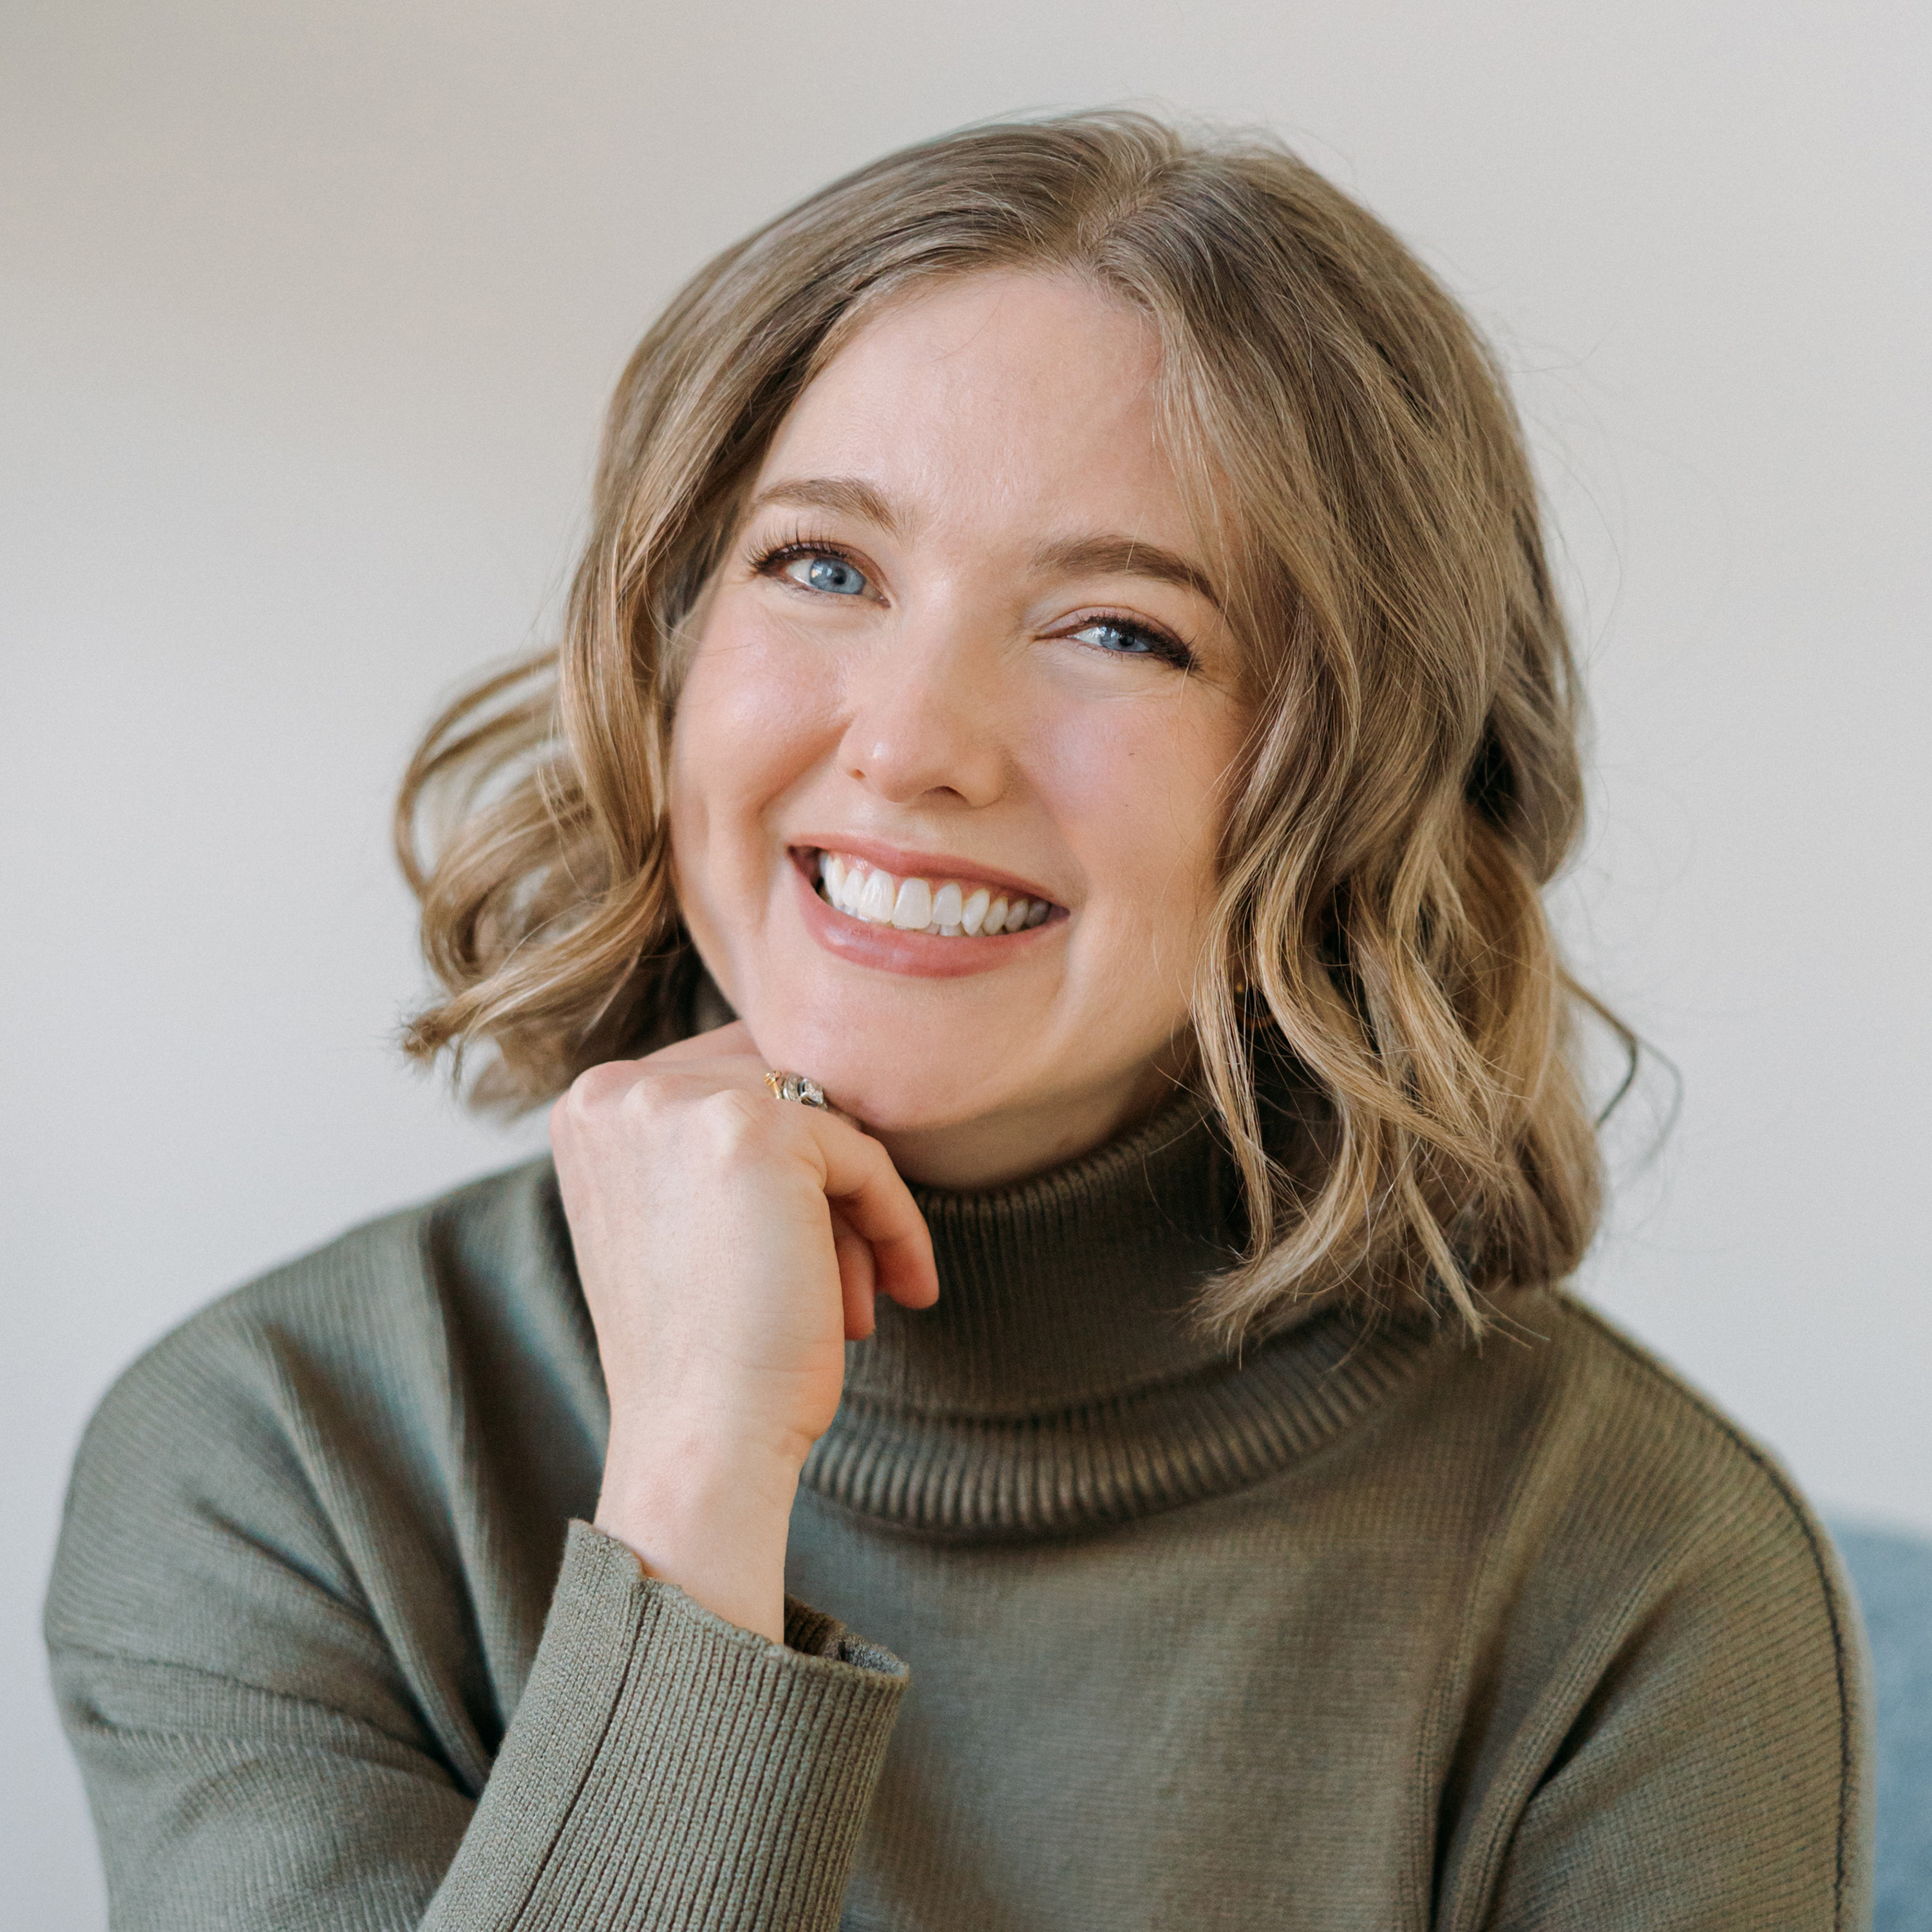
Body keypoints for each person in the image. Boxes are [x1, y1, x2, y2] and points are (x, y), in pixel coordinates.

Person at [46, 111, 1870, 1930]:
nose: (914, 741)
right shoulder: (282, 1457)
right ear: (665, 649)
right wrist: (696, 1482)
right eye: (824, 569)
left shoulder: (1642, 1577)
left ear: (1360, 783)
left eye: (1120, 630)